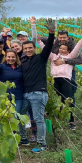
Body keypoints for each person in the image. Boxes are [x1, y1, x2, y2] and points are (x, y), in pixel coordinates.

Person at [20, 17, 56, 153]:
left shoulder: (41, 58)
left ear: (35, 48)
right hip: (26, 94)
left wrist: (51, 33)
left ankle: (42, 144)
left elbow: (49, 46)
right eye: (26, 48)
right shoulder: (22, 62)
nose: (28, 50)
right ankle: (24, 139)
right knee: (19, 116)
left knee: (38, 119)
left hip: (38, 93)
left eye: (30, 48)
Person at [48, 32, 82, 130]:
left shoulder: (72, 46)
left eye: (64, 37)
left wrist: (65, 61)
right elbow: (44, 45)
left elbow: (79, 60)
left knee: (69, 97)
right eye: (60, 37)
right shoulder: (55, 47)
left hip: (67, 75)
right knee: (55, 97)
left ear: (68, 37)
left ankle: (70, 119)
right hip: (55, 78)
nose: (62, 39)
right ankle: (57, 117)